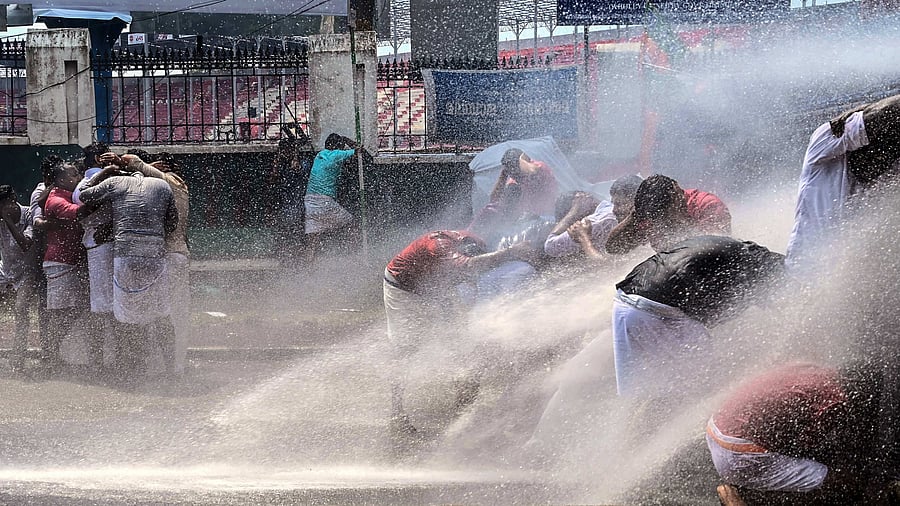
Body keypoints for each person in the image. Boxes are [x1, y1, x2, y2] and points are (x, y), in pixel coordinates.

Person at [383, 230, 537, 437]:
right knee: (407, 350)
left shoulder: (473, 242)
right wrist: (511, 252)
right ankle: (397, 414)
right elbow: (468, 266)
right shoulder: (439, 244)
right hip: (403, 289)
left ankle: (463, 409)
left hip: (437, 288)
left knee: (461, 343)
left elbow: (470, 271)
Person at [612, 235, 784, 397]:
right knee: (700, 385)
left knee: (650, 389)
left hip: (624, 302)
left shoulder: (731, 250)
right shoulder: (749, 271)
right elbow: (713, 315)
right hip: (659, 312)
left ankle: (637, 420)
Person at [708, 362, 887, 505]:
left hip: (716, 427)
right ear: (861, 395)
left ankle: (755, 483)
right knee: (843, 485)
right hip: (737, 454)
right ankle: (749, 497)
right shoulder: (835, 401)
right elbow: (806, 445)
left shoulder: (813, 369)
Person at [78, 165, 178, 381]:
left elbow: (83, 195)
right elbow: (172, 223)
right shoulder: (162, 185)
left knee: (127, 314)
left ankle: (131, 367)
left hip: (125, 256)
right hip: (155, 255)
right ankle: (171, 369)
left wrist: (105, 172)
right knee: (162, 314)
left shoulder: (115, 182)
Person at [100, 150, 191, 375]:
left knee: (156, 313)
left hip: (165, 256)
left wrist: (122, 162)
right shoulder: (175, 187)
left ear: (162, 167)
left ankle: (165, 366)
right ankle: (170, 365)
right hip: (173, 255)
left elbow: (135, 162)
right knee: (166, 312)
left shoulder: (168, 183)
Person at [785, 93, 900, 271]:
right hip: (804, 271)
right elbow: (886, 112)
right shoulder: (824, 143)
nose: (882, 157)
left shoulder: (883, 179)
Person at [41, 161, 90, 368]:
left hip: (66, 261)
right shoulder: (56, 200)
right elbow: (79, 212)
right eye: (73, 175)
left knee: (72, 311)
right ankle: (50, 356)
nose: (78, 178)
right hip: (60, 263)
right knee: (61, 313)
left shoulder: (65, 195)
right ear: (61, 180)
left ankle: (54, 354)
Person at [605, 174, 731, 254]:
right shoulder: (650, 215)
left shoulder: (706, 205)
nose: (663, 222)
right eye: (658, 217)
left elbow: (718, 249)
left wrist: (682, 221)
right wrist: (635, 215)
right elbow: (614, 248)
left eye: (665, 214)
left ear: (676, 194)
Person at [72, 142, 114, 373]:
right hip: (104, 248)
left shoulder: (85, 183)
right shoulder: (95, 182)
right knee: (106, 306)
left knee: (103, 305)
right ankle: (108, 359)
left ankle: (100, 360)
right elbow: (83, 200)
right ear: (100, 159)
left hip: (99, 248)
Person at [468, 148, 559, 244]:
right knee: (492, 211)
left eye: (514, 168)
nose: (513, 174)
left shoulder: (539, 167)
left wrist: (520, 161)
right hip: (523, 221)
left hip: (545, 218)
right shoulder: (515, 178)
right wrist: (503, 175)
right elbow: (494, 200)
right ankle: (470, 237)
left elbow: (532, 170)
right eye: (510, 171)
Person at [543, 176, 642, 260]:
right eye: (614, 204)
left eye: (620, 204)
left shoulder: (601, 223)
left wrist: (584, 238)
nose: (615, 210)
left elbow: (609, 267)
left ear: (637, 200)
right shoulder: (605, 214)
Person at [303, 133, 359, 262]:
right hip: (324, 201)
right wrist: (347, 139)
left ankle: (308, 264)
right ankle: (355, 256)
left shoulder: (319, 155)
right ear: (337, 146)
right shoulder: (336, 155)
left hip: (309, 201)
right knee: (352, 224)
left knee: (312, 239)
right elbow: (359, 150)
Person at [0, 185, 38, 371]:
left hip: (26, 271)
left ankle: (19, 354)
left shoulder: (29, 214)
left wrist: (7, 220)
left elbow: (25, 244)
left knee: (21, 308)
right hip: (5, 268)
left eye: (3, 206)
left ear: (13, 199)